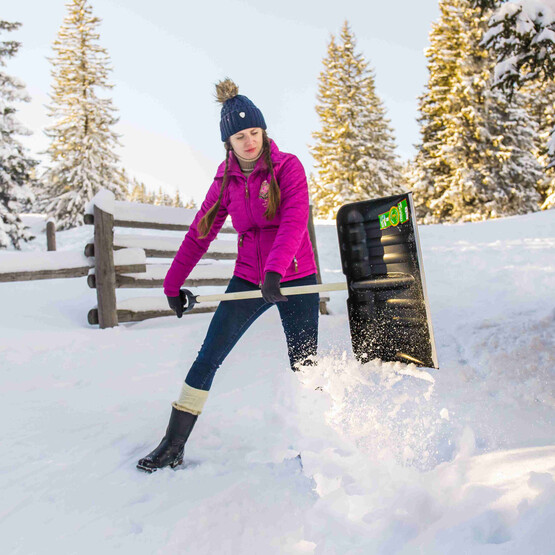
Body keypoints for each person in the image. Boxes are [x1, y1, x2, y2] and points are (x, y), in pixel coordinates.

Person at [137, 78, 319, 473]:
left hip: (295, 274)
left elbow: (293, 222)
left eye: (254, 132)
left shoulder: (289, 167)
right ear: (228, 142)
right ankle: (172, 444)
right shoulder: (226, 180)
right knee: (208, 357)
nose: (249, 141)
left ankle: (321, 442)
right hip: (250, 277)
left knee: (305, 363)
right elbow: (200, 230)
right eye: (240, 136)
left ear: (264, 131)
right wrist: (172, 284)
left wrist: (276, 271)